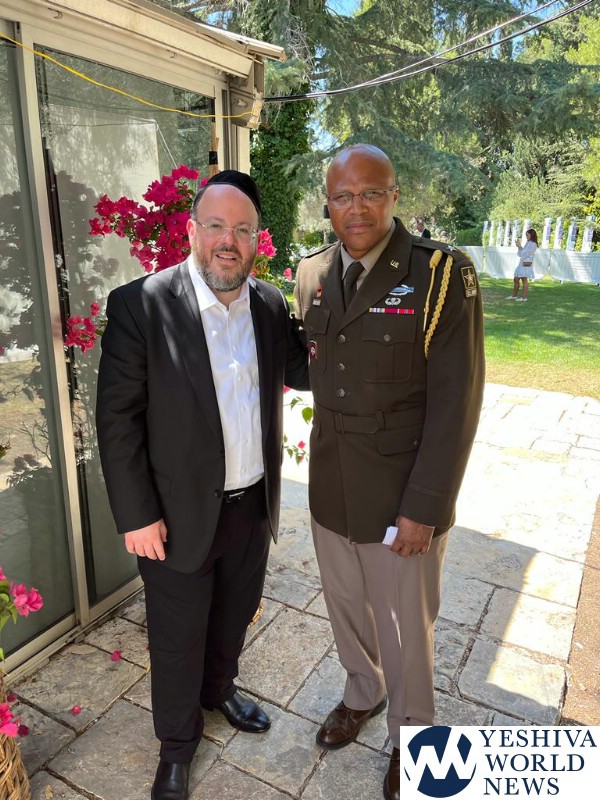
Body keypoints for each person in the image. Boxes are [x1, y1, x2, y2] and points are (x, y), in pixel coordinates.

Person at [96, 170, 308, 800]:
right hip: (174, 513)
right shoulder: (141, 305)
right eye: (215, 226)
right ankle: (176, 748)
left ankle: (219, 692)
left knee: (235, 616)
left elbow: (306, 368)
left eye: (242, 229)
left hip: (252, 505)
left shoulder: (268, 305)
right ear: (192, 231)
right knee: (177, 638)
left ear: (256, 240)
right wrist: (137, 515)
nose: (228, 240)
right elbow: (117, 420)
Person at [294, 144, 485, 800]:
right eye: (343, 196)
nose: (357, 208)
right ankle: (363, 692)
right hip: (332, 484)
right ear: (328, 203)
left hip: (402, 493)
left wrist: (424, 507)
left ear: (394, 195)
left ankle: (416, 738)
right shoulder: (312, 272)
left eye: (371, 193)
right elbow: (312, 361)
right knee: (347, 607)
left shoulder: (440, 275)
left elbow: (457, 402)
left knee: (406, 625)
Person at [507, 228, 538, 302]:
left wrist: (520, 247)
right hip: (522, 263)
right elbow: (521, 254)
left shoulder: (533, 244)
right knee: (516, 278)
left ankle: (524, 298)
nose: (526, 236)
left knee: (524, 279)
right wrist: (519, 247)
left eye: (527, 235)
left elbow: (524, 254)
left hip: (526, 264)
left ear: (532, 235)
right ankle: (514, 296)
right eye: (526, 235)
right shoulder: (528, 243)